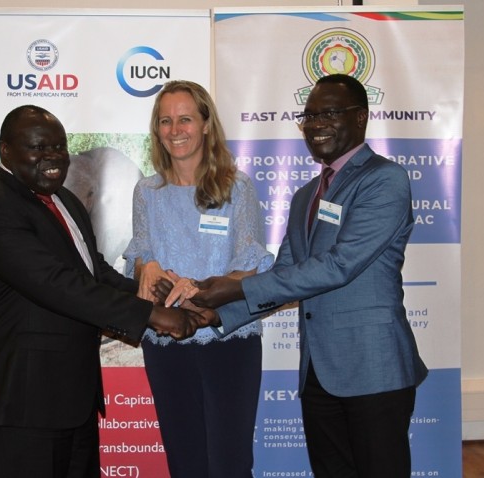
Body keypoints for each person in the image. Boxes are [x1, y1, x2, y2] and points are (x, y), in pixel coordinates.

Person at [169, 74, 429, 478]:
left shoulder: (384, 179)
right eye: (308, 116)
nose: (315, 124)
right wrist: (219, 314)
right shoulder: (307, 194)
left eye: (328, 113)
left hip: (373, 367)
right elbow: (286, 274)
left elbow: (339, 265)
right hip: (318, 374)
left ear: (361, 118)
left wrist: (235, 287)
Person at [0, 105, 206, 478]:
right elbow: (56, 284)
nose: (53, 157)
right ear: (6, 150)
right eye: (38, 148)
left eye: (59, 147)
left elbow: (94, 272)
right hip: (25, 403)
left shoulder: (65, 201)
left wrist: (156, 294)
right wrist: (152, 316)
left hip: (74, 398)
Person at [122, 80, 273, 478]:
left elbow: (250, 267)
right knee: (184, 460)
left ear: (206, 124)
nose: (176, 130)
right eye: (166, 121)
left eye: (185, 118)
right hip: (167, 341)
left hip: (227, 341)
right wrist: (147, 268)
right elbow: (140, 260)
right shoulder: (147, 192)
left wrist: (200, 289)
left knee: (230, 463)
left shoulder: (236, 188)